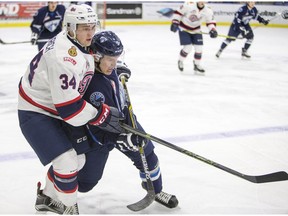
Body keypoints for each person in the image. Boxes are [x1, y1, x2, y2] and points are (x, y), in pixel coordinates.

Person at [18, 4, 124, 214]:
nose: (90, 33)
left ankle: (46, 196)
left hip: (53, 104)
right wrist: (100, 115)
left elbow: (98, 56)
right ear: (70, 28)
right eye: (84, 28)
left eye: (93, 27)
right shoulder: (63, 58)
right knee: (67, 161)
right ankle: (69, 208)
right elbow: (71, 111)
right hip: (35, 110)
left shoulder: (77, 41)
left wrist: (116, 64)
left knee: (79, 158)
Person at [66, 30, 179, 210]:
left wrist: (119, 69)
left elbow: (113, 68)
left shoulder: (107, 65)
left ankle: (156, 191)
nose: (114, 63)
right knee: (87, 184)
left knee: (147, 152)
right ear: (96, 56)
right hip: (100, 134)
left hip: (124, 119)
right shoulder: (90, 85)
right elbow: (92, 125)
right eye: (111, 60)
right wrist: (117, 138)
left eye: (117, 58)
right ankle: (56, 185)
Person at [170, 1, 218, 75]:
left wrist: (213, 30)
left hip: (196, 30)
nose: (201, 2)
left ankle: (196, 65)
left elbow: (210, 22)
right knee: (188, 47)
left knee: (199, 48)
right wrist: (175, 22)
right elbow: (178, 12)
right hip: (184, 29)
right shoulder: (189, 4)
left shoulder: (208, 10)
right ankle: (180, 61)